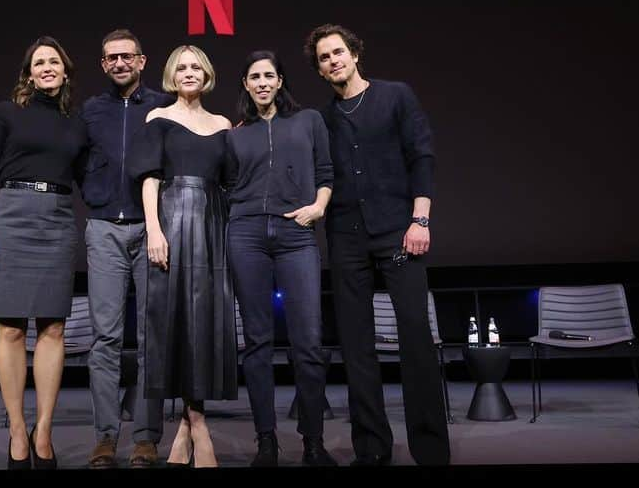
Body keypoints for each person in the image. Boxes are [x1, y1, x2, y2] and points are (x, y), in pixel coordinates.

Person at [305, 24, 450, 466]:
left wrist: (420, 218)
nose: (333, 61)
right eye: (324, 58)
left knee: (416, 339)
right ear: (320, 70)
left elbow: (420, 156)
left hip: (398, 231)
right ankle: (371, 447)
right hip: (346, 238)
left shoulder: (395, 96)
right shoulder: (322, 118)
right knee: (356, 346)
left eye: (338, 52)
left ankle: (430, 448)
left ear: (354, 53)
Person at [0, 36, 88, 470]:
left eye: (53, 61)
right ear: (29, 72)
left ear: (65, 70)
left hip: (58, 219)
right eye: (38, 62)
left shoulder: (76, 124)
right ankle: (17, 431)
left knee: (54, 329)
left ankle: (44, 432)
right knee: (11, 330)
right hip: (12, 216)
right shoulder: (6, 113)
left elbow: (86, 179)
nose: (46, 68)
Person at [224, 50, 338, 467]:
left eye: (269, 76)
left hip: (297, 234)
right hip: (247, 235)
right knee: (257, 342)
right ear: (245, 84)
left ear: (280, 81)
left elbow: (326, 173)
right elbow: (227, 186)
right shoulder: (235, 135)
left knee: (307, 342)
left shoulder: (308, 121)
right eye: (254, 77)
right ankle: (266, 441)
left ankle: (312, 440)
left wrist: (318, 207)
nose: (262, 83)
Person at [128, 45, 237, 468]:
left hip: (213, 226)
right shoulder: (158, 119)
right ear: (171, 75)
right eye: (181, 67)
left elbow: (230, 183)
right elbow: (150, 181)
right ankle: (196, 423)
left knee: (207, 323)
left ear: (206, 74)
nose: (189, 73)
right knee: (171, 323)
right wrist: (154, 230)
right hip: (171, 221)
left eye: (196, 67)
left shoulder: (223, 124)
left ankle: (189, 425)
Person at [79, 29, 171, 468]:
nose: (119, 63)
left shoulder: (161, 106)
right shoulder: (90, 111)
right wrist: (96, 195)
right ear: (103, 64)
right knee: (105, 339)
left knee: (152, 336)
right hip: (104, 230)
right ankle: (103, 438)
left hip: (151, 232)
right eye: (110, 58)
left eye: (126, 57)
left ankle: (147, 438)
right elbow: (77, 160)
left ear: (142, 60)